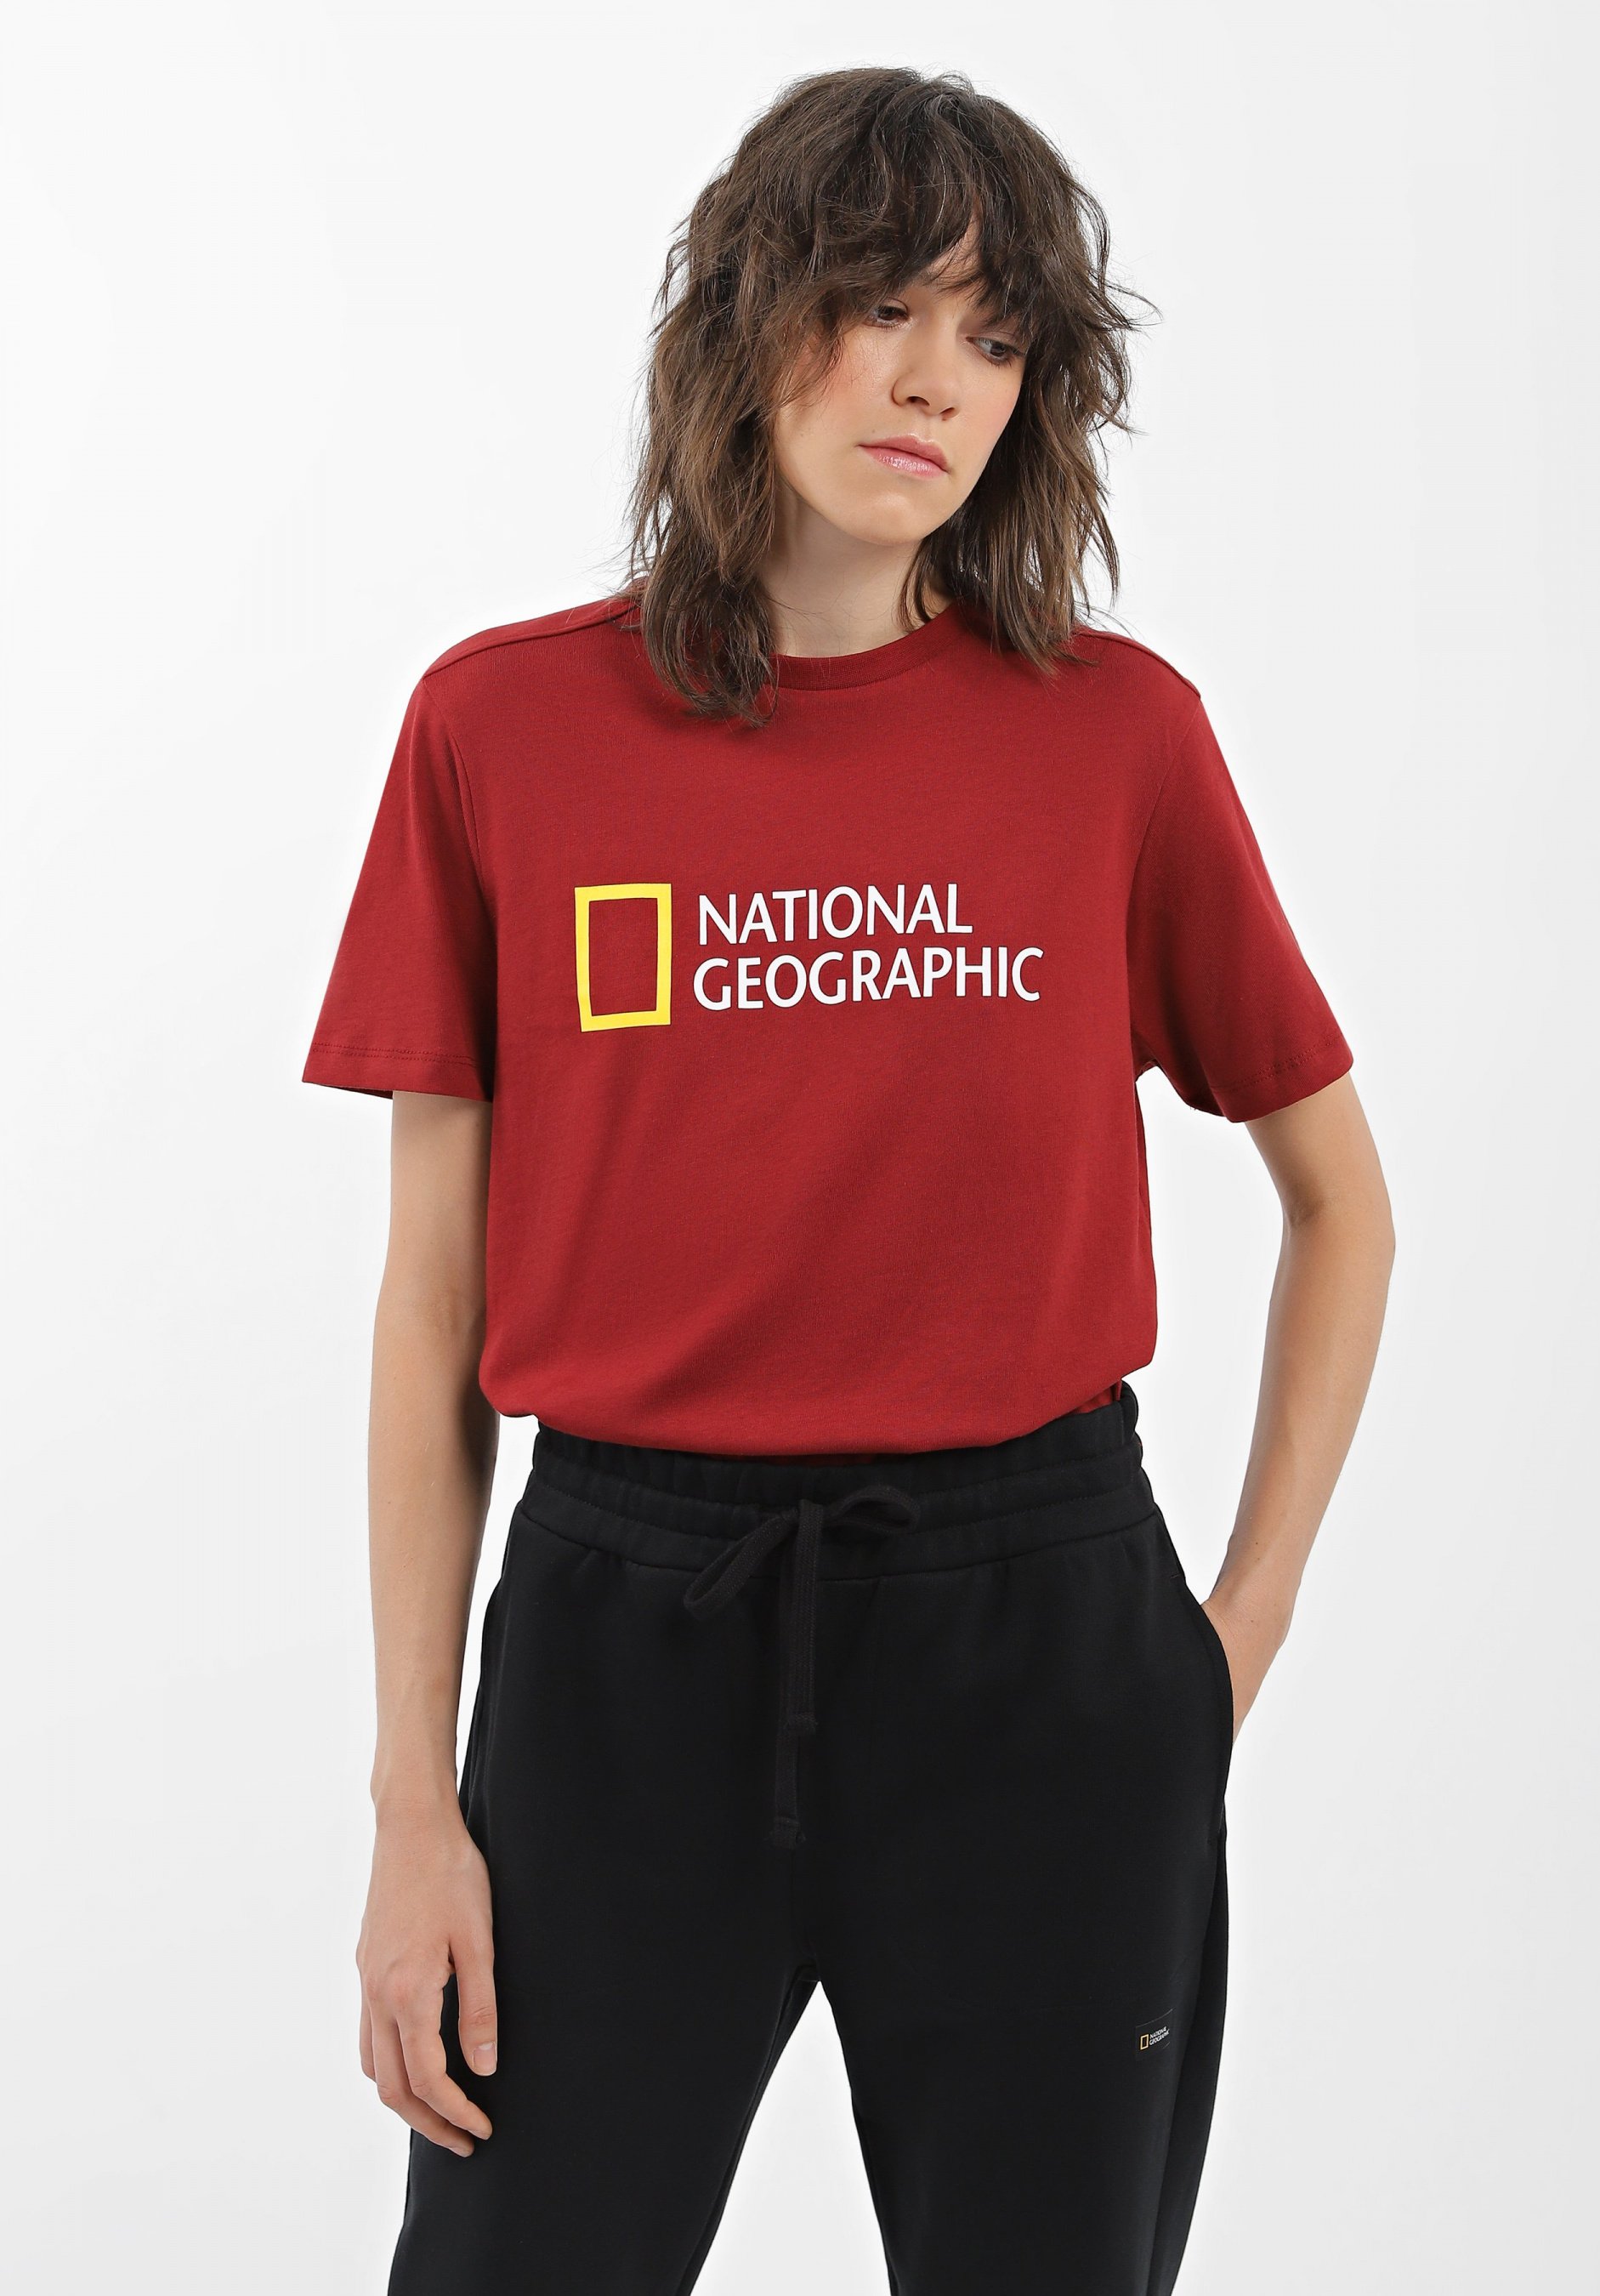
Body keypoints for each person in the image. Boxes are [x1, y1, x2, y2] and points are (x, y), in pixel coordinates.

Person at [302, 65, 1394, 2296]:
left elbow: (1339, 1202)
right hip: (623, 1643)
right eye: (881, 303)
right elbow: (431, 1311)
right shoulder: (501, 733)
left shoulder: (1116, 739)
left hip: (1039, 1638)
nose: (934, 380)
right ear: (745, 317)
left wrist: (1226, 1646)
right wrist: (415, 1799)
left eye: (994, 336)